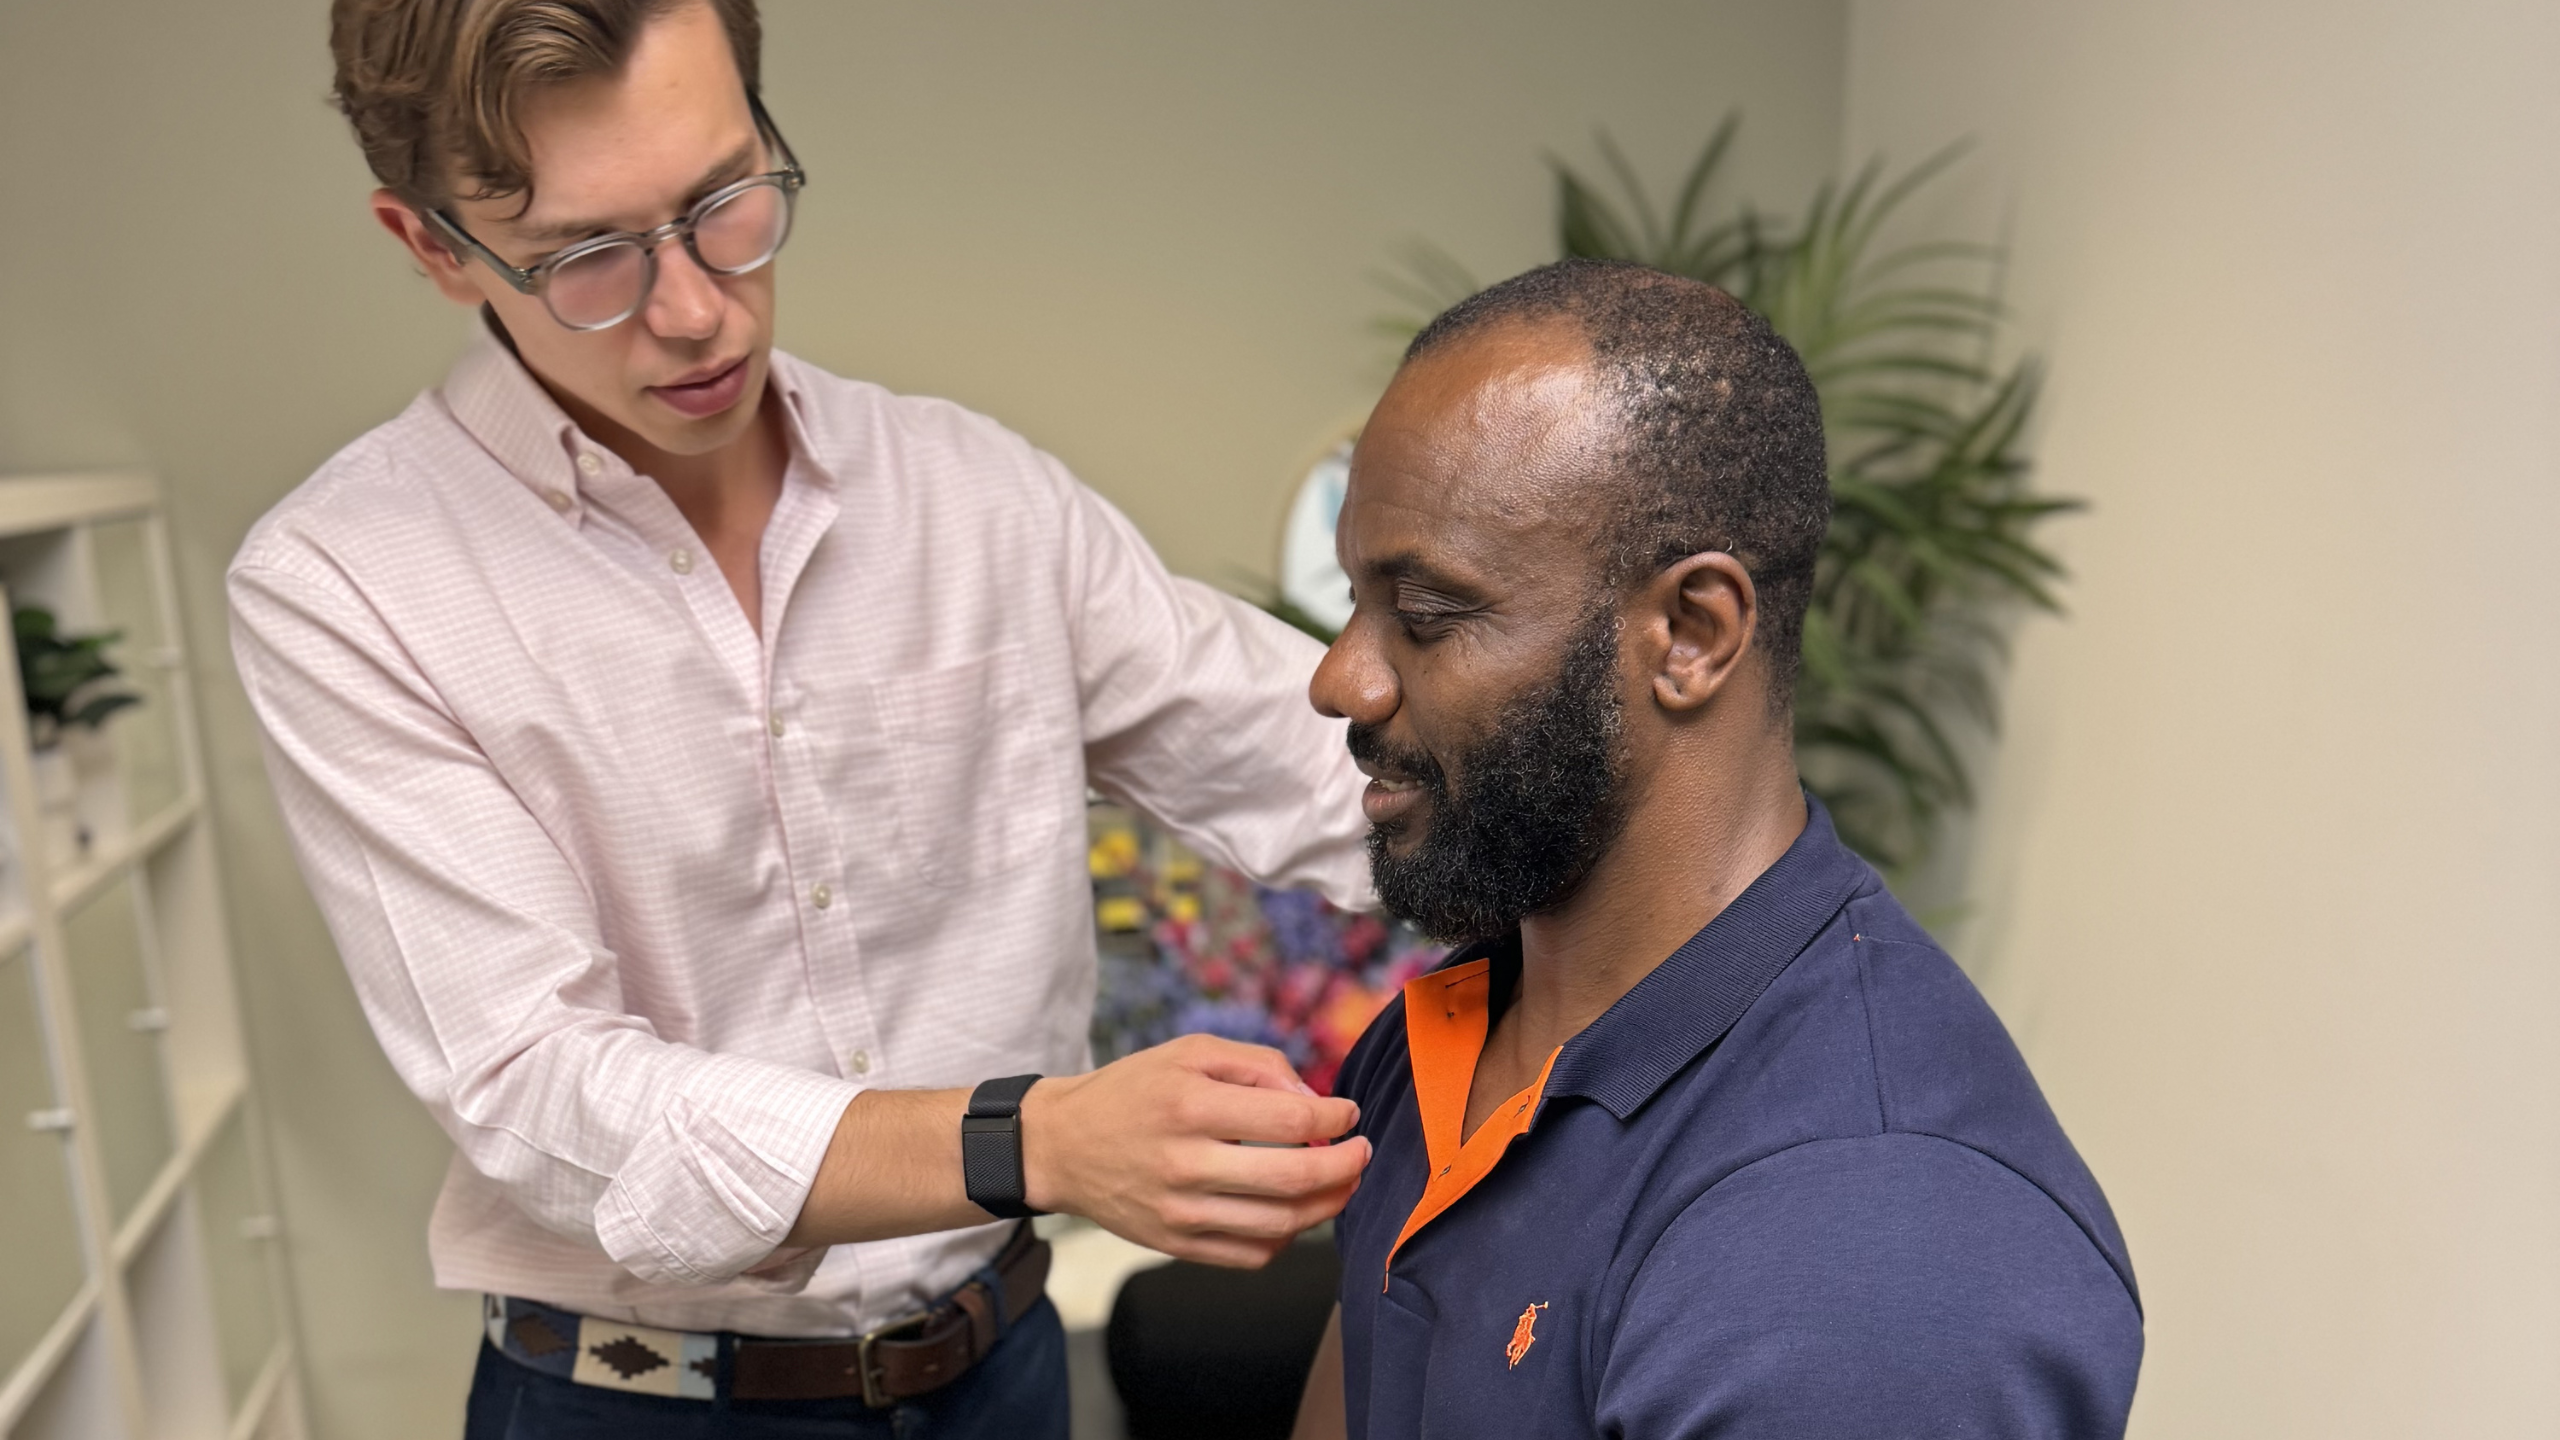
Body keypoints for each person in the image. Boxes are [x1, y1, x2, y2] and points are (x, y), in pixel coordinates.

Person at [229, 1, 1377, 1434]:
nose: (694, 307)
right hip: (636, 1406)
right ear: (430, 247)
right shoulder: (348, 586)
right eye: (587, 258)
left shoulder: (978, 499)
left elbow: (1322, 767)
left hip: (1001, 1374)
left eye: (724, 203)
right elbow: (544, 1094)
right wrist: (1032, 1142)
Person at [1288, 259, 2143, 1439]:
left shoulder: (1864, 1251)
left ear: (1690, 635)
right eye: (1352, 602)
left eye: (1426, 616)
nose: (1340, 676)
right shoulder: (1433, 1044)